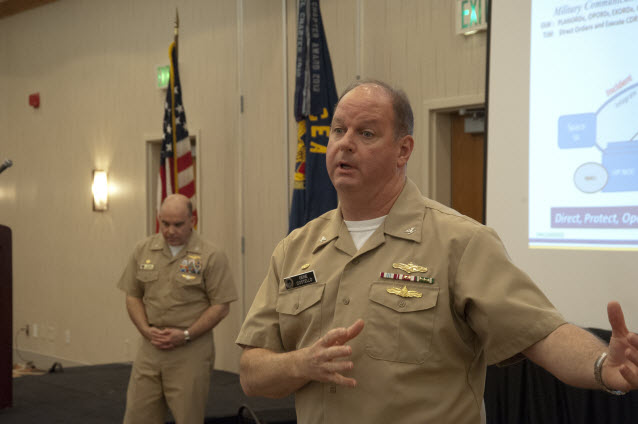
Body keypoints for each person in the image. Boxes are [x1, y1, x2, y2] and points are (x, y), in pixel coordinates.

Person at [235, 80, 638, 423]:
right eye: (338, 131)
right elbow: (252, 372)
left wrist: (603, 365)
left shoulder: (458, 242)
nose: (346, 144)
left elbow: (541, 333)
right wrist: (300, 364)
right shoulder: (296, 249)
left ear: (403, 150)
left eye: (367, 133)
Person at [118, 194, 238, 424]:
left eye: (178, 224)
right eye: (165, 223)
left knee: (188, 417)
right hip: (150, 348)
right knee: (137, 415)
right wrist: (145, 329)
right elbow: (132, 295)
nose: (170, 230)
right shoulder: (144, 249)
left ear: (192, 220)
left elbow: (221, 306)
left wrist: (185, 335)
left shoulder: (210, 255)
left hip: (190, 350)